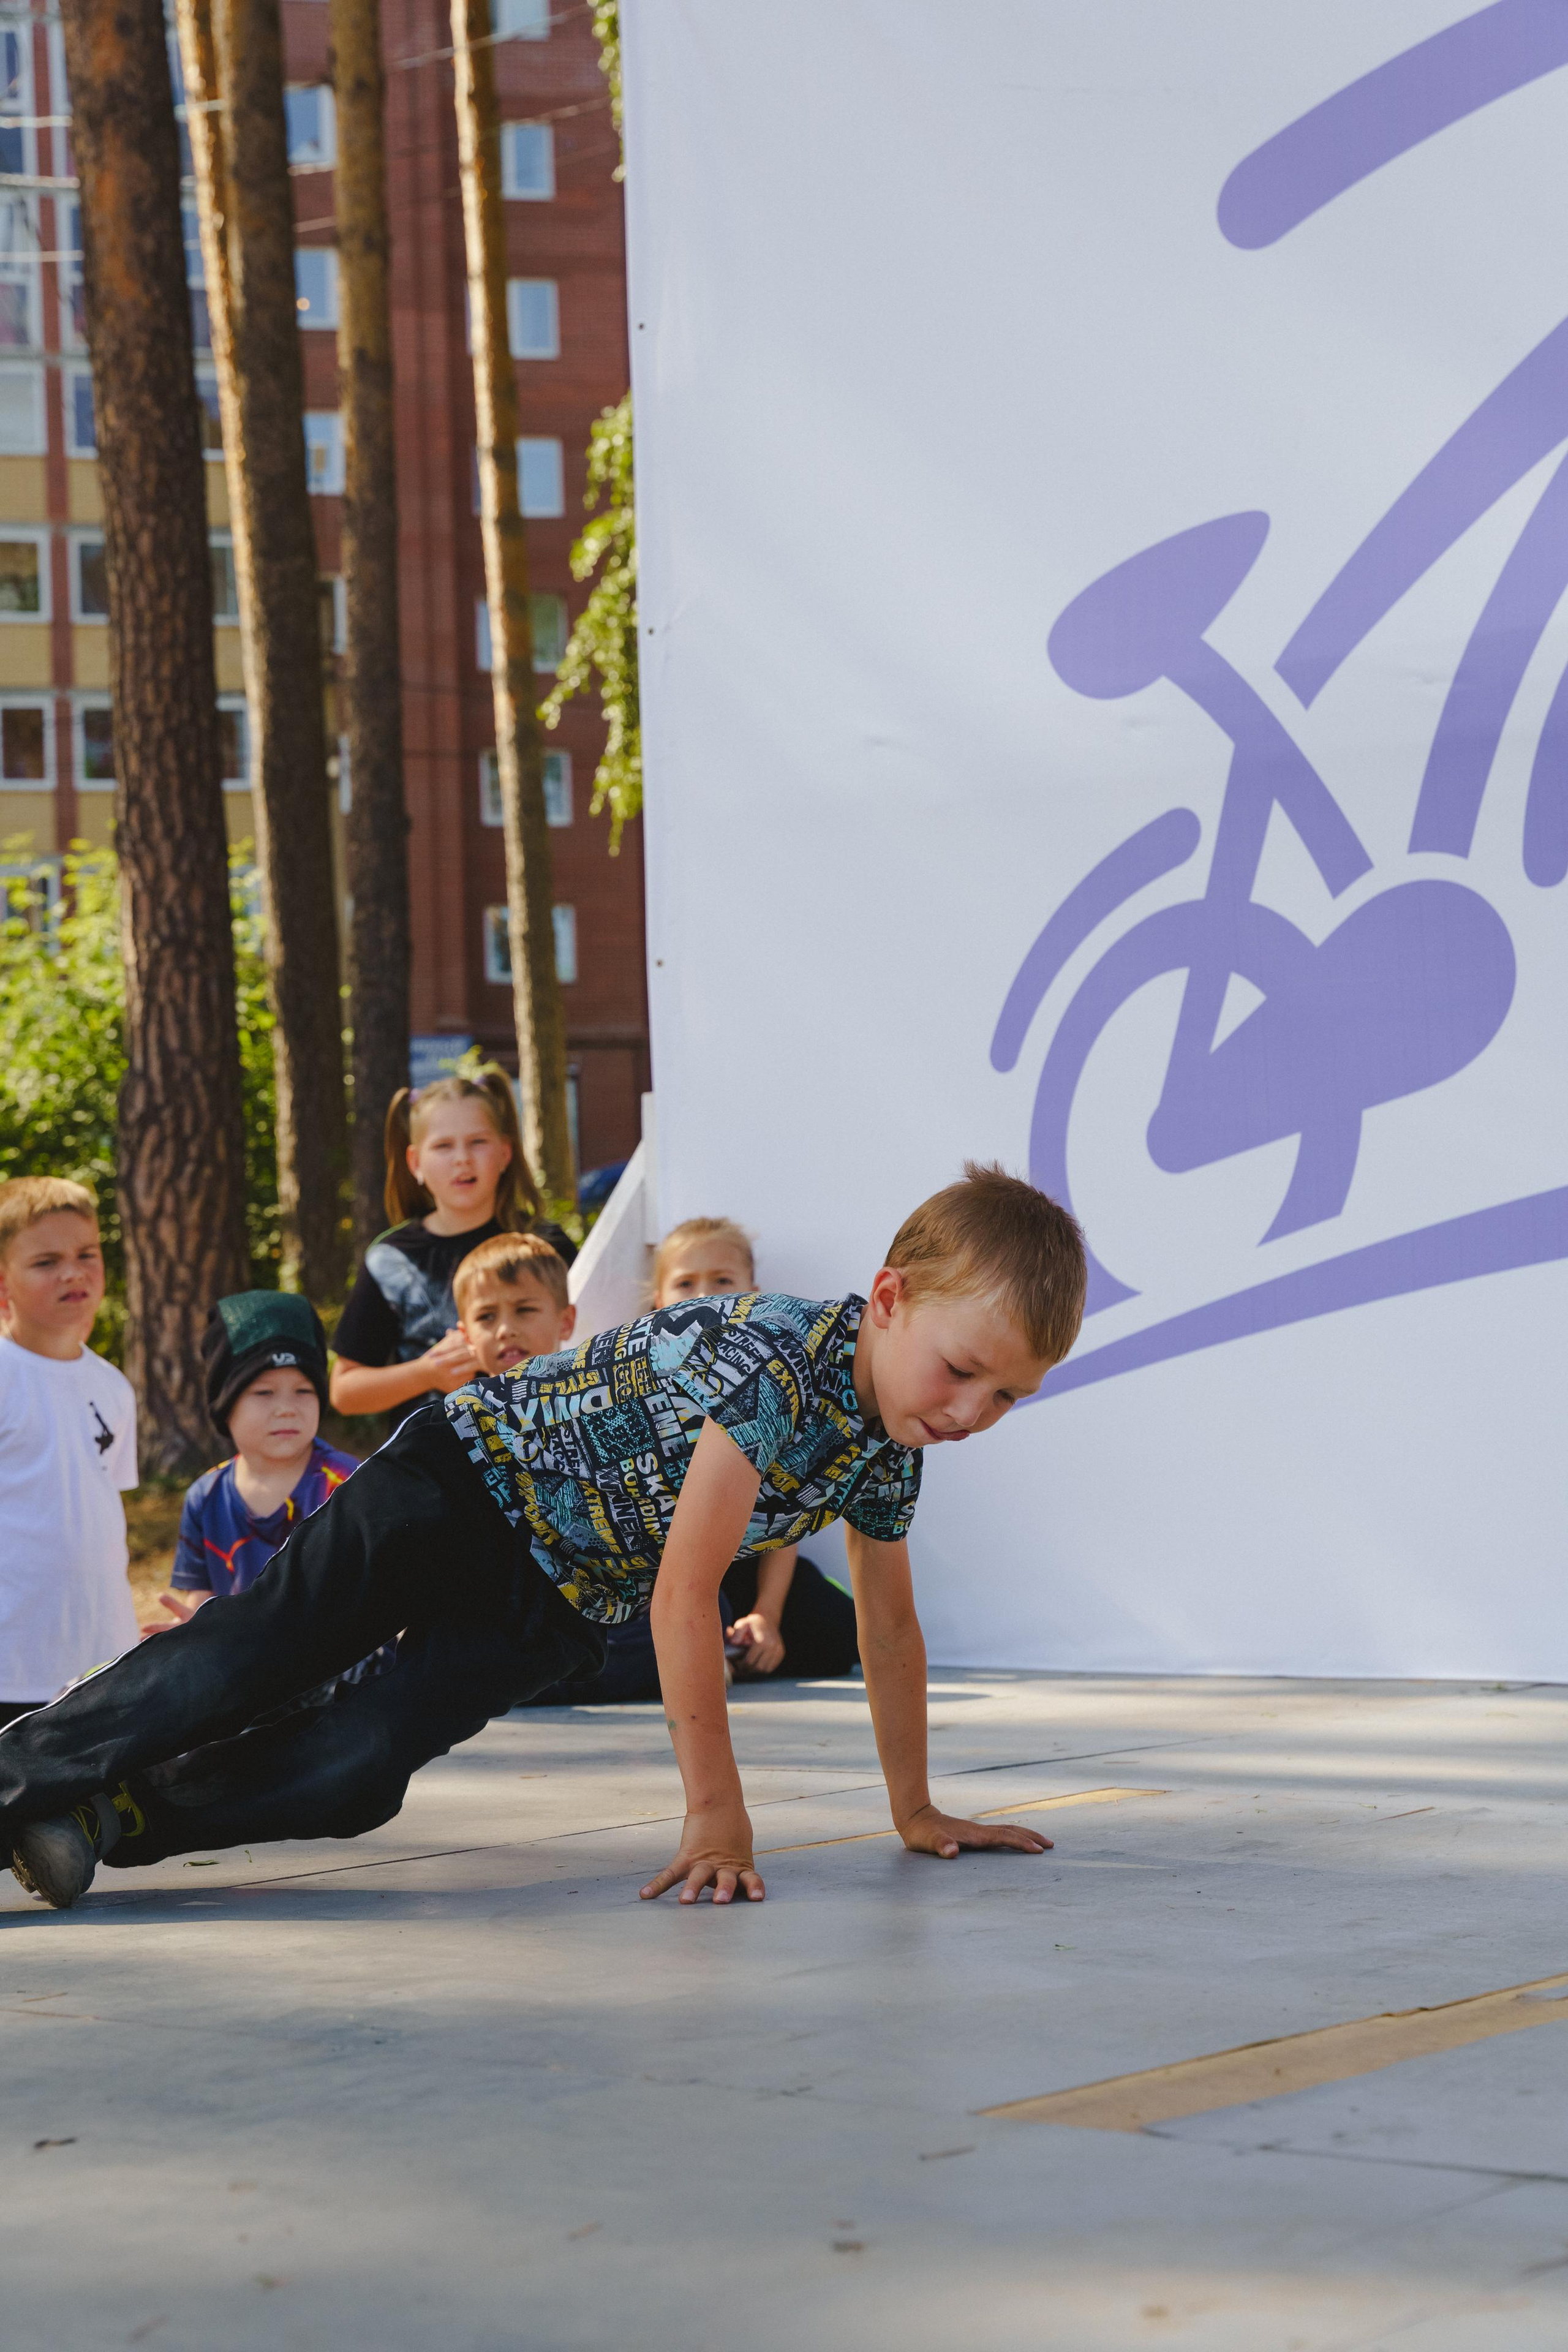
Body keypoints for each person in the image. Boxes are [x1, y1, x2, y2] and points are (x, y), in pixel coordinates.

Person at [0, 1164, 1085, 1911]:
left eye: (1007, 1396)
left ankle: (104, 1816)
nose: (972, 1412)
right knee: (253, 1656)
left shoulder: (892, 1449)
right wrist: (717, 1818)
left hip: (557, 1598)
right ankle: (16, 1777)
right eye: (962, 1370)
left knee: (360, 1768)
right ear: (890, 1299)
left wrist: (916, 1809)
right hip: (465, 1481)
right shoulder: (781, 1363)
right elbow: (684, 1595)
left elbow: (890, 1632)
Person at [655, 1216, 860, 1683]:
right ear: (659, 1302)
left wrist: (767, 1614)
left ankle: (742, 1647)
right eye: (685, 1283)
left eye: (722, 1281)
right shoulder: (648, 1386)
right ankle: (703, 1653)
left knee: (838, 1624)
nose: (704, 1296)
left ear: (753, 1295)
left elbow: (785, 1519)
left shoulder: (772, 1386)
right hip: (665, 1571)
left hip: (747, 1565)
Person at [330, 1070, 576, 1428]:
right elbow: (344, 1391)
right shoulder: (391, 1259)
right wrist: (426, 1373)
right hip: (432, 1454)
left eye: (477, 1142)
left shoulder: (547, 1244)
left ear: (505, 1153)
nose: (462, 1159)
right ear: (416, 1163)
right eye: (443, 1146)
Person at [0, 1178, 138, 1731]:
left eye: (86, 1255)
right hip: (12, 1667)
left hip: (101, 1661)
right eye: (46, 1262)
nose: (73, 1273)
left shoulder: (113, 1387)